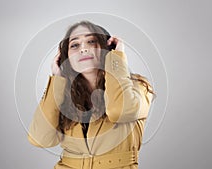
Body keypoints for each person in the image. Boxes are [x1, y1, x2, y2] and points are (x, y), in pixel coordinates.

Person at [27, 20, 155, 169]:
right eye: (75, 45)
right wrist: (57, 79)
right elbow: (40, 139)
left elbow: (119, 111)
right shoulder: (64, 95)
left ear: (107, 47)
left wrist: (116, 58)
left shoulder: (138, 87)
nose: (83, 49)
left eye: (91, 41)